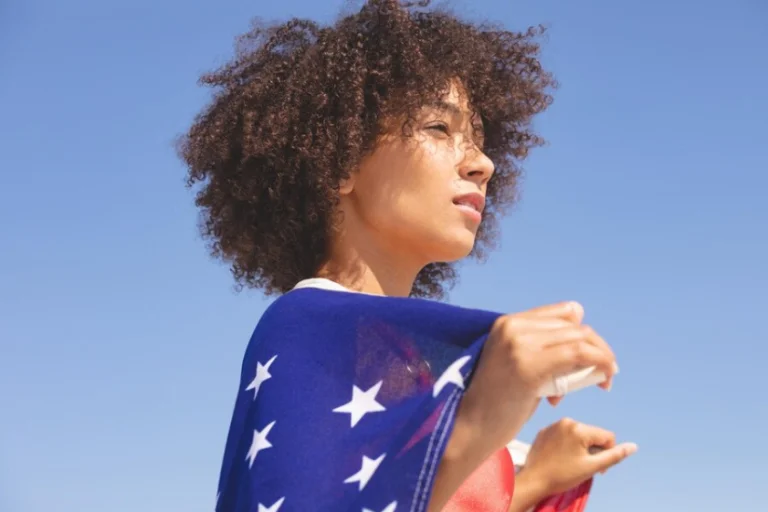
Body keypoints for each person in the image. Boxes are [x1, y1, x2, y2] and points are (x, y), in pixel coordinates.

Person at [178, 1, 636, 511]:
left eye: (480, 140)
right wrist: (480, 418)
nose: (482, 163)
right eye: (439, 128)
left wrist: (534, 480)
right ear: (340, 161)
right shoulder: (303, 328)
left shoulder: (416, 369)